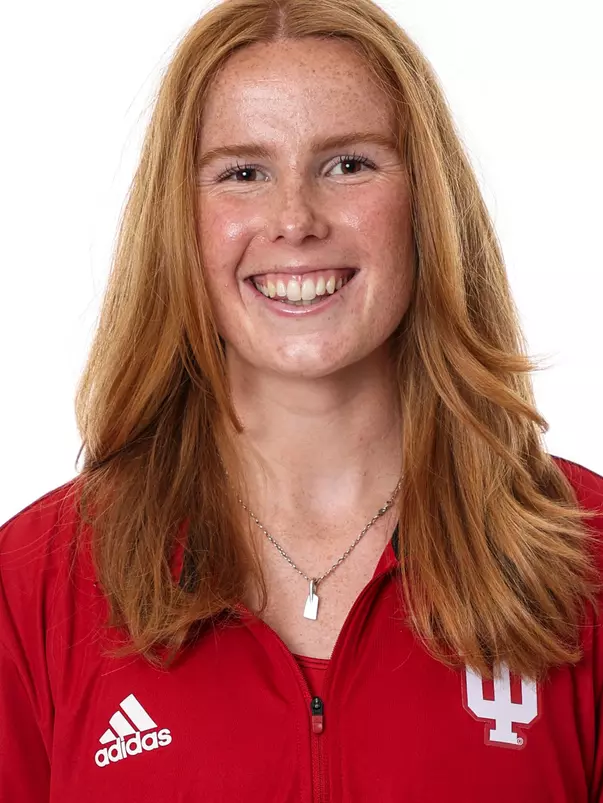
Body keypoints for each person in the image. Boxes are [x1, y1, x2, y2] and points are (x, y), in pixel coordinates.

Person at [1, 0, 602, 799]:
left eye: (348, 163)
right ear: (179, 223)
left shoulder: (582, 558)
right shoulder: (34, 583)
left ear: (426, 202)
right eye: (242, 173)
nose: (294, 220)